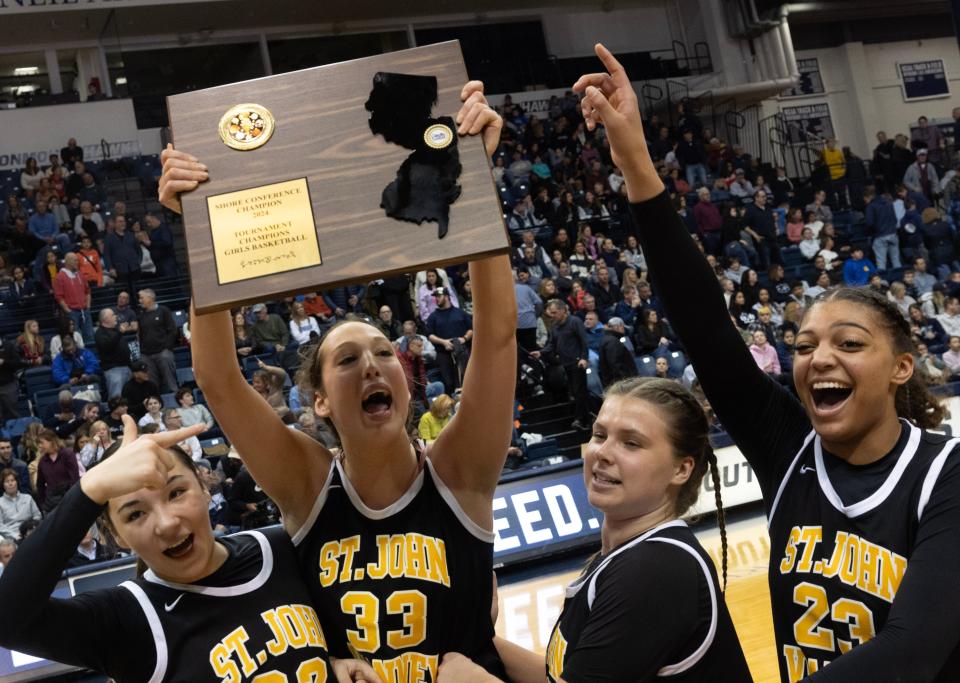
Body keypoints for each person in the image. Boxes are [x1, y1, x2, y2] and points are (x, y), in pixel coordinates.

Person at [579, 42, 960, 681]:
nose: (818, 358)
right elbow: (705, 327)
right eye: (805, 345)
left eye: (849, 343)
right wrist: (638, 165)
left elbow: (912, 652)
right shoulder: (787, 447)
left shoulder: (946, 476)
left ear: (901, 366)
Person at [163, 80, 516, 680]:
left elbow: (498, 333)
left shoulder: (460, 470)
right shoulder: (306, 484)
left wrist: (479, 185)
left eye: (382, 352)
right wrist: (200, 229)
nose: (374, 364)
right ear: (320, 401)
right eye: (348, 360)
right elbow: (218, 377)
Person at [0, 418, 376, 682]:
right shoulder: (125, 619)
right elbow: (7, 619)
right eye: (135, 514)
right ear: (116, 536)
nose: (166, 523)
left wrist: (329, 663)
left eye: (176, 492)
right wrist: (89, 490)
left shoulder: (277, 546)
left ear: (204, 486)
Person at [437, 377, 750, 683]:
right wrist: (478, 636)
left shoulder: (656, 569)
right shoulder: (632, 556)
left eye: (631, 443)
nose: (602, 452)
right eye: (600, 435)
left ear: (681, 469)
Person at [426, 286, 473, 393]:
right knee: (448, 382)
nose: (436, 299)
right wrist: (443, 342)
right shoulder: (433, 316)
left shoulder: (460, 312)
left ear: (447, 296)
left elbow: (471, 329)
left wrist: (464, 339)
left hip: (461, 352)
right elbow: (429, 335)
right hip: (443, 354)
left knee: (465, 379)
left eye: (439, 296)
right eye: (436, 297)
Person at [138, 288, 179, 393]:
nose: (139, 300)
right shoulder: (141, 315)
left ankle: (176, 399)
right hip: (147, 355)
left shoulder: (163, 310)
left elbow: (172, 330)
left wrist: (167, 348)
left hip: (163, 352)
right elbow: (140, 335)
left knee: (171, 383)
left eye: (141, 298)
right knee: (152, 385)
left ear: (150, 298)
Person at [53, 252, 95, 343]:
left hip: (85, 311)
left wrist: (88, 306)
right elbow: (59, 297)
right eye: (75, 260)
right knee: (77, 338)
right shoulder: (60, 277)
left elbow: (88, 291)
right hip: (72, 313)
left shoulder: (80, 274)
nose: (77, 262)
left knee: (90, 336)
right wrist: (69, 311)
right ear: (67, 261)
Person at [34, 429, 79, 513]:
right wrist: (43, 504)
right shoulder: (42, 461)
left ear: (51, 441)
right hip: (51, 502)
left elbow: (74, 478)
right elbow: (40, 484)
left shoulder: (67, 454)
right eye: (38, 443)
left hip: (69, 498)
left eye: (41, 442)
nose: (39, 446)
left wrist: (71, 498)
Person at [96, 307, 133, 399]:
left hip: (126, 367)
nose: (116, 316)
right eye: (113, 315)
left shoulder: (115, 329)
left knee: (129, 397)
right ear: (105, 319)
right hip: (113, 370)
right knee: (117, 398)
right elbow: (107, 346)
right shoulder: (99, 333)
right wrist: (119, 333)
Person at [0, 468, 41, 541]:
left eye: (12, 480)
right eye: (7, 481)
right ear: (3, 485)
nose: (10, 484)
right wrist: (15, 535)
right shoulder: (0, 503)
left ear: (17, 482)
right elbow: (0, 526)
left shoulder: (28, 498)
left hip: (30, 532)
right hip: (11, 537)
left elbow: (37, 516)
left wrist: (31, 529)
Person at [598, 316, 636, 387]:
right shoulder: (613, 341)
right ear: (617, 327)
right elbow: (614, 364)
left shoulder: (609, 339)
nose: (624, 330)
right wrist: (625, 380)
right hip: (619, 383)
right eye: (622, 327)